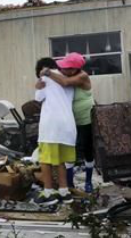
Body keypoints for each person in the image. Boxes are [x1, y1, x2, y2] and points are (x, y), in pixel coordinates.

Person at [39, 52, 95, 192]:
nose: (62, 70)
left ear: (74, 69)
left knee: (87, 149)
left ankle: (88, 182)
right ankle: (69, 184)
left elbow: (65, 83)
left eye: (66, 68)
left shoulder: (82, 76)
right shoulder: (63, 75)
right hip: (70, 120)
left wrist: (48, 73)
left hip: (85, 119)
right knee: (70, 150)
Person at [33, 57, 77, 205]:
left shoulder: (46, 78)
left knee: (45, 161)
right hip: (67, 126)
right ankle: (64, 192)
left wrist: (38, 85)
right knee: (61, 161)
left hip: (51, 126)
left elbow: (38, 98)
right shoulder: (69, 79)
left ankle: (48, 193)